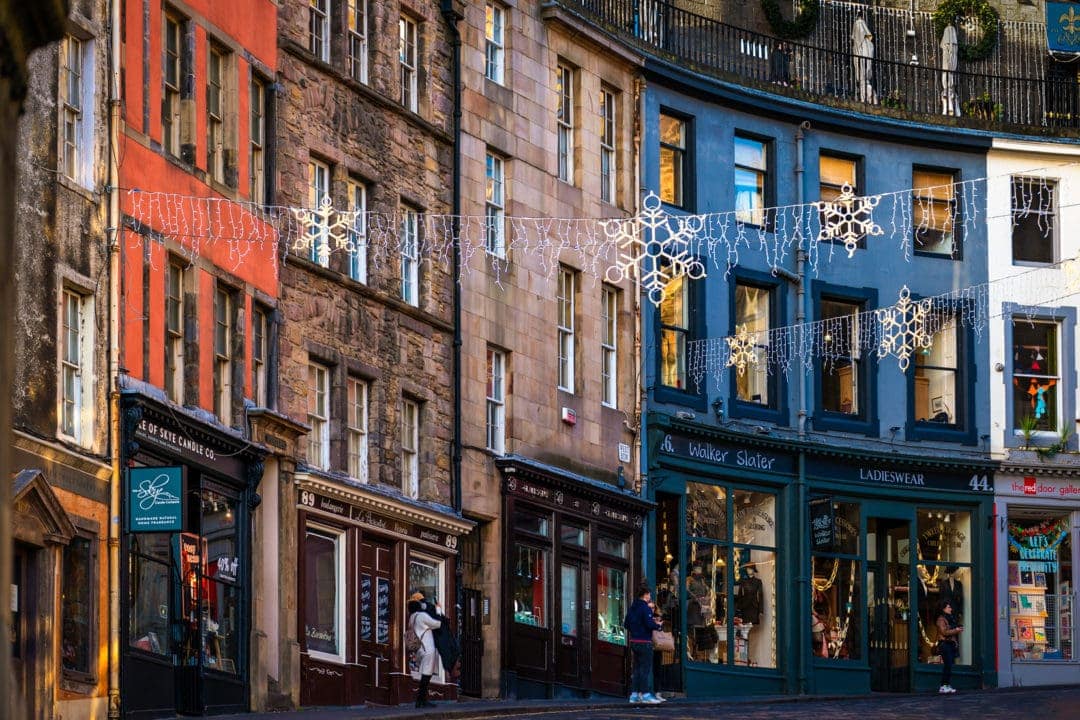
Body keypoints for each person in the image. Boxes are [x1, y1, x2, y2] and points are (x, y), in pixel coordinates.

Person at [623, 584, 664, 704]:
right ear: (645, 595)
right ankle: (646, 695)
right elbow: (649, 625)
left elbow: (626, 624)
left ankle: (634, 695)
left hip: (634, 641)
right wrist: (658, 626)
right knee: (644, 670)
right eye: (649, 594)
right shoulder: (645, 608)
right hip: (645, 642)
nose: (650, 596)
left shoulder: (632, 608)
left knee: (637, 669)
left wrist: (636, 630)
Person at [407, 591, 443, 708]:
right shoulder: (422, 616)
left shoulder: (412, 617)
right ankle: (421, 700)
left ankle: (421, 700)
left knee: (424, 674)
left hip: (419, 649)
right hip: (427, 648)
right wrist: (438, 609)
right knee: (426, 675)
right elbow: (438, 623)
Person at [936, 599, 963, 694]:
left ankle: (946, 685)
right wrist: (956, 630)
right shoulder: (941, 619)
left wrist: (957, 630)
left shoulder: (949, 618)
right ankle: (943, 686)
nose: (951, 609)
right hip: (944, 645)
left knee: (949, 665)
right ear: (944, 609)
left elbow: (951, 632)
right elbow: (944, 632)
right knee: (947, 665)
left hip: (950, 644)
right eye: (949, 607)